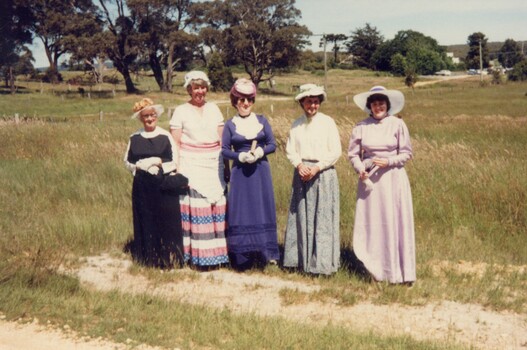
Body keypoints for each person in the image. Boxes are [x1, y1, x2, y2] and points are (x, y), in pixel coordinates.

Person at [348, 86, 415, 284]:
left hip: (393, 179)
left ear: (387, 105)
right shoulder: (361, 126)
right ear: (369, 106)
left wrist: (389, 161)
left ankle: (398, 272)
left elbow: (406, 153)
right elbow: (353, 154)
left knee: (393, 221)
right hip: (370, 182)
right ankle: (374, 268)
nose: (378, 107)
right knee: (373, 223)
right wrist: (360, 169)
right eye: (374, 104)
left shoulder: (398, 124)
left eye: (382, 103)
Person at [169, 71, 229, 268]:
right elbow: (175, 143)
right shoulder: (181, 111)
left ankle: (218, 256)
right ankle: (198, 257)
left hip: (213, 164)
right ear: (189, 89)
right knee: (198, 207)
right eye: (196, 88)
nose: (200, 91)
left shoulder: (214, 109)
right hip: (191, 164)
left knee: (216, 204)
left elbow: (222, 141)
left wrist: (225, 166)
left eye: (203, 87)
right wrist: (176, 169)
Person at [221, 78, 280, 270]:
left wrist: (260, 152)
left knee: (261, 207)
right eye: (241, 99)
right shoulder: (230, 125)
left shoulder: (262, 121)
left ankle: (264, 254)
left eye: (249, 99)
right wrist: (240, 156)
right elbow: (224, 150)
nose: (245, 103)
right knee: (242, 210)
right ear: (234, 101)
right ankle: (242, 257)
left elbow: (272, 144)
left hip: (260, 171)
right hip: (240, 173)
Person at [283, 84, 342, 275]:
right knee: (301, 217)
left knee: (322, 218)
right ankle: (300, 261)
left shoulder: (328, 122)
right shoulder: (296, 124)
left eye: (316, 102)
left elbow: (335, 151)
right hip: (302, 174)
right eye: (309, 101)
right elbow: (291, 150)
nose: (313, 105)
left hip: (322, 173)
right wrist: (300, 165)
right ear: (302, 102)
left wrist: (316, 168)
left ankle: (321, 264)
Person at [124, 98, 187, 268]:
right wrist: (140, 166)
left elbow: (174, 162)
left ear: (157, 115)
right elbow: (127, 161)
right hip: (142, 187)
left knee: (164, 221)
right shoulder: (135, 137)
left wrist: (158, 164)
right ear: (141, 118)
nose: (150, 119)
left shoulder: (165, 136)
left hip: (162, 186)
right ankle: (147, 259)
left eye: (152, 115)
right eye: (146, 116)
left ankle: (167, 260)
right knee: (145, 220)